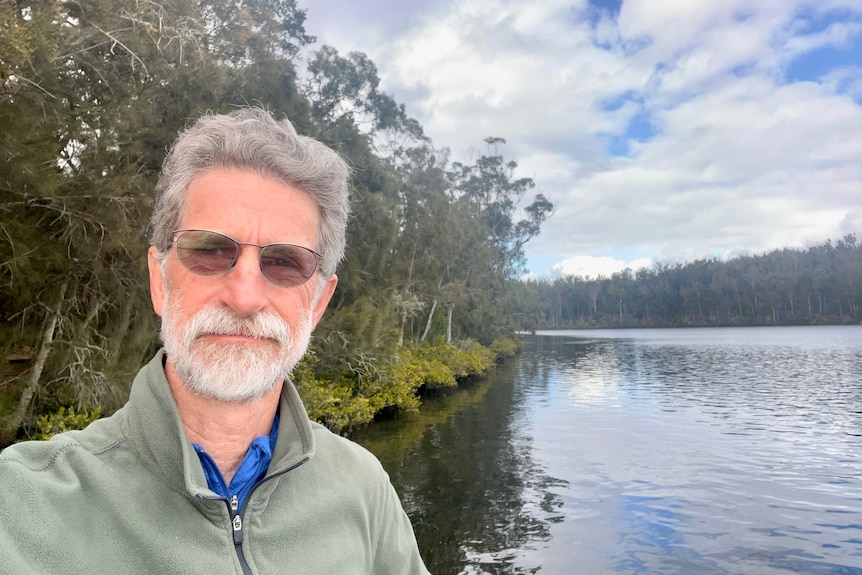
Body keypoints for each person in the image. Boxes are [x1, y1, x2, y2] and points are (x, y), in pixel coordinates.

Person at [0, 108, 431, 574]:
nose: (245, 297)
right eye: (209, 250)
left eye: (285, 262)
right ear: (159, 280)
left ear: (319, 303)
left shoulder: (362, 485)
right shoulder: (24, 504)